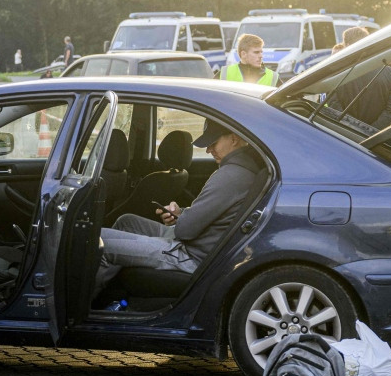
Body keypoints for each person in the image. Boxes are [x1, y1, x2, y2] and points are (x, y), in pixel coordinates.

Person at [94, 119, 267, 298]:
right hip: (196, 246)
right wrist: (181, 213)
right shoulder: (244, 171)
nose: (208, 150)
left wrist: (182, 219)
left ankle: (87, 310)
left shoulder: (230, 176)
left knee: (97, 245)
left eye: (213, 143)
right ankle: (112, 289)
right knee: (127, 222)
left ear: (234, 138)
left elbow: (184, 231)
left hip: (190, 256)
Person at [324, 27, 391, 129]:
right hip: (378, 138)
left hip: (345, 136)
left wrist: (354, 129)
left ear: (347, 45)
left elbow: (334, 106)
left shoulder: (336, 74)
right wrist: (371, 131)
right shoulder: (388, 72)